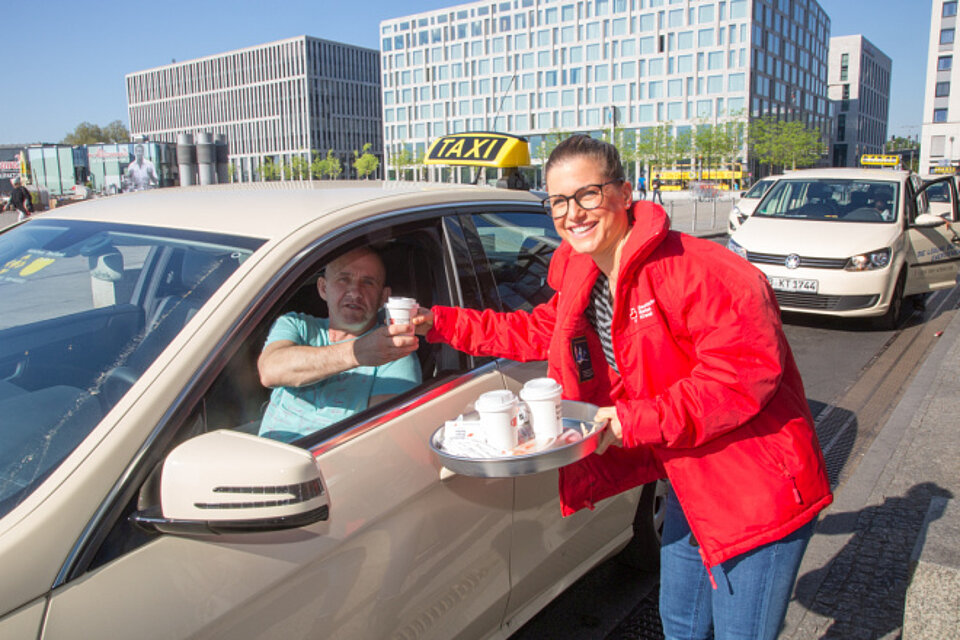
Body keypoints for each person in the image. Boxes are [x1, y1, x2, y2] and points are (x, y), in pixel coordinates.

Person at [413, 135, 832, 640]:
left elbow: (737, 380)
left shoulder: (706, 272)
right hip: (687, 476)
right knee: (680, 625)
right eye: (559, 202)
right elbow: (532, 332)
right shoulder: (586, 275)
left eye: (588, 194)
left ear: (624, 193)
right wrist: (434, 322)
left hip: (752, 485)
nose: (573, 214)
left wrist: (632, 421)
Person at [257, 246, 422, 443]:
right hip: (265, 455)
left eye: (368, 283)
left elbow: (383, 440)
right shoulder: (297, 325)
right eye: (344, 279)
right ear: (323, 288)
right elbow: (270, 371)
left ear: (383, 298)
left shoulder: (392, 350)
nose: (355, 292)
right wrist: (356, 353)